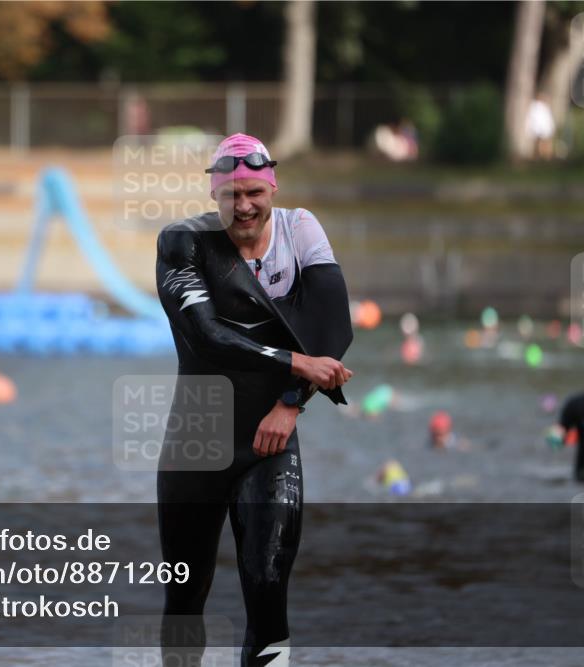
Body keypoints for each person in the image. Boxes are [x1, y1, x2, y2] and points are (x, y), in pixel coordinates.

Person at [155, 134, 353, 666]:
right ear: (215, 196)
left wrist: (291, 401)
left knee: (267, 587)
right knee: (184, 602)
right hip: (196, 440)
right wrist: (295, 363)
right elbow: (205, 335)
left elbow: (334, 327)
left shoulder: (300, 228)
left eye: (253, 193)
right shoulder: (182, 241)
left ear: (272, 187)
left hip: (270, 436)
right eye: (230, 195)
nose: (243, 206)